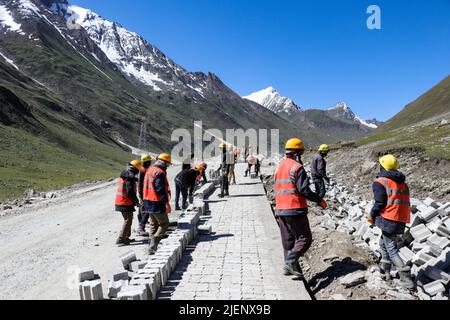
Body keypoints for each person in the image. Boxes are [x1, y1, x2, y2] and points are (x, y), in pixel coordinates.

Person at [274, 138, 327, 279]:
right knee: (304, 239)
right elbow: (304, 190)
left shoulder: (280, 166)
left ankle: (289, 267)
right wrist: (319, 200)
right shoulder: (296, 167)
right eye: (301, 152)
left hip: (280, 208)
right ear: (297, 152)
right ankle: (290, 262)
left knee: (288, 241)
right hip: (294, 208)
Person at [366, 155, 415, 289]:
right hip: (400, 219)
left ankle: (406, 280)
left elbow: (380, 203)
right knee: (383, 242)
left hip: (389, 219)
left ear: (382, 166)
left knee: (392, 249)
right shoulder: (403, 183)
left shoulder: (381, 182)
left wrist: (371, 215)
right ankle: (386, 271)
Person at [143, 153, 172, 255]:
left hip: (147, 201)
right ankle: (153, 246)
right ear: (164, 163)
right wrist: (167, 204)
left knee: (153, 224)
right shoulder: (159, 172)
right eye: (168, 164)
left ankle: (150, 247)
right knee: (164, 224)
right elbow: (160, 190)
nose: (168, 167)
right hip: (156, 201)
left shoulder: (150, 170)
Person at [114, 160, 143, 247]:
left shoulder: (126, 175)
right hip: (124, 202)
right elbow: (130, 192)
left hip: (122, 201)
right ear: (135, 169)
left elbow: (131, 179)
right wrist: (136, 201)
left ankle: (126, 237)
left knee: (129, 219)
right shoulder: (129, 177)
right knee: (128, 219)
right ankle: (121, 238)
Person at [137, 154, 153, 237]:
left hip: (144, 193)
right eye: (149, 161)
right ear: (147, 162)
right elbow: (140, 184)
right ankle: (141, 227)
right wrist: (141, 194)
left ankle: (141, 225)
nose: (150, 163)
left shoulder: (144, 169)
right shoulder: (143, 170)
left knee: (142, 210)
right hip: (144, 193)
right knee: (146, 210)